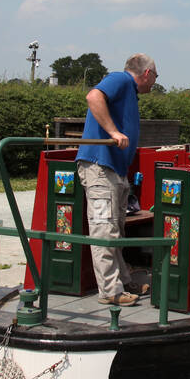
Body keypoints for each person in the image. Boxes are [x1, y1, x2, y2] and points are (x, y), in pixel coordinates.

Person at [77, 54, 158, 306]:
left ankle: (123, 282)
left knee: (116, 230)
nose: (155, 82)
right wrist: (113, 131)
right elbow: (93, 96)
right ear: (147, 73)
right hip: (100, 168)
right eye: (156, 76)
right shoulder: (120, 79)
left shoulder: (129, 91)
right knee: (104, 228)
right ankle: (110, 291)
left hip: (114, 170)